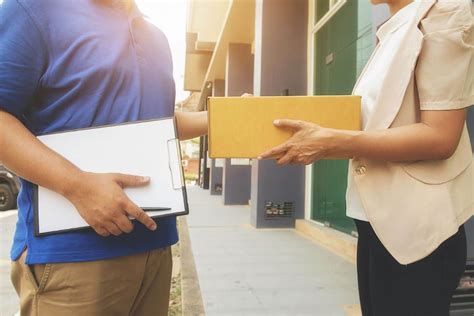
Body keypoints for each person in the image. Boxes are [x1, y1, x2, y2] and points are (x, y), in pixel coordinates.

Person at [260, 0, 473, 315]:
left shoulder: (446, 13)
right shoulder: (392, 28)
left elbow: (440, 136)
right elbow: (374, 122)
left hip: (416, 233)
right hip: (374, 220)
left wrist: (333, 143)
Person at [0, 0, 207, 315]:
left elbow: (158, 121)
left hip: (155, 245)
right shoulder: (33, 10)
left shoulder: (155, 36)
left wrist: (224, 119)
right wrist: (76, 185)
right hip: (72, 256)